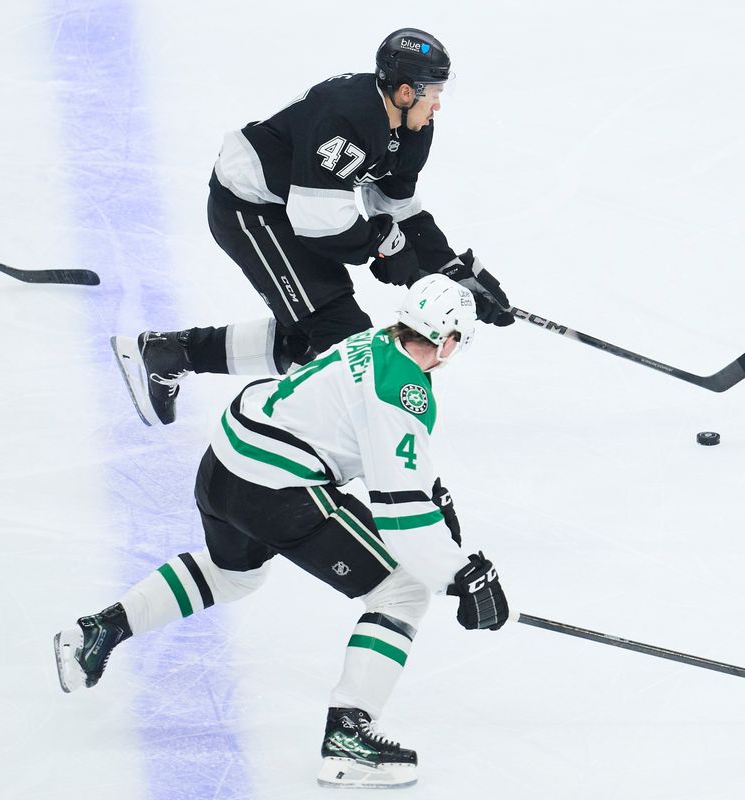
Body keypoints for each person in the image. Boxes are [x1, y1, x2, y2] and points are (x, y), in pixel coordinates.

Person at [56, 275, 510, 789]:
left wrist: (437, 498)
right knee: (402, 591)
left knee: (234, 575)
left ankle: (100, 629)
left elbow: (387, 456)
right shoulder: (403, 389)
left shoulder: (370, 341)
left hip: (226, 462)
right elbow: (399, 512)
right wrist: (460, 577)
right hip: (276, 489)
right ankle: (348, 738)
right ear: (449, 341)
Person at [111, 27, 515, 427]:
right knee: (340, 337)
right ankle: (285, 446)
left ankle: (169, 354)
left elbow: (400, 211)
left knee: (314, 335)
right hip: (250, 209)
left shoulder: (412, 130)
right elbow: (320, 223)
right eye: (433, 93)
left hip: (290, 209)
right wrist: (384, 249)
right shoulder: (348, 116)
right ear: (406, 93)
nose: (438, 105)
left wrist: (449, 272)